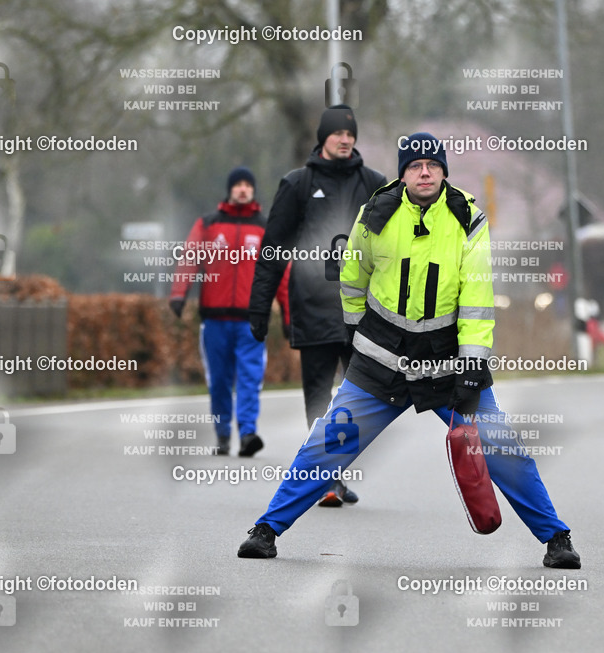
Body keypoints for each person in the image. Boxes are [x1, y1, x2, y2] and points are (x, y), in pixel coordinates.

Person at [237, 133, 581, 569]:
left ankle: (556, 538)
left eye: (432, 165)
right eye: (415, 165)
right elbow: (351, 276)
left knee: (502, 448)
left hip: (449, 365)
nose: (424, 171)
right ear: (402, 173)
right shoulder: (376, 213)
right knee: (327, 444)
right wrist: (356, 330)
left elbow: (477, 296)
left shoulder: (467, 218)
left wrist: (474, 364)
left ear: (443, 171)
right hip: (381, 362)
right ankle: (265, 531)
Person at [249, 104, 386, 506]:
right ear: (323, 138)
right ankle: (324, 482)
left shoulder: (375, 184)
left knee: (359, 399)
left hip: (365, 313)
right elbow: (273, 249)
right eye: (338, 133)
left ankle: (334, 474)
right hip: (313, 307)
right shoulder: (298, 184)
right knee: (318, 398)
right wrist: (260, 307)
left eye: (351, 134)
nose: (345, 140)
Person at [170, 166, 287, 457]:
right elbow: (189, 257)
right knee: (219, 379)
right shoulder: (209, 225)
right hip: (215, 320)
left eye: (248, 184)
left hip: (251, 322)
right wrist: (178, 293)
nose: (243, 189)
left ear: (254, 190)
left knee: (250, 378)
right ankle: (223, 434)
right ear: (230, 189)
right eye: (238, 185)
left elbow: (281, 273)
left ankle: (247, 433)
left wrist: (289, 312)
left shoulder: (265, 228)